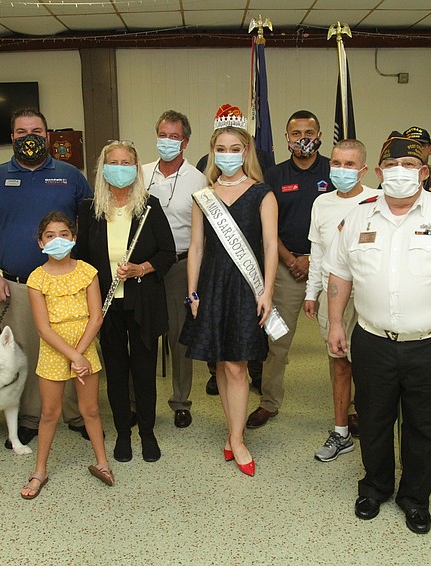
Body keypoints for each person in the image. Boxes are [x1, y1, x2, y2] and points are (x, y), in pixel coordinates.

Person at [325, 132, 431, 534]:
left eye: (410, 166)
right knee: (375, 419)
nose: (400, 173)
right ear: (380, 172)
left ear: (423, 172)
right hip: (372, 340)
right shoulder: (358, 216)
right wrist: (334, 323)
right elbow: (339, 275)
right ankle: (375, 487)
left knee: (424, 426)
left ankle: (415, 498)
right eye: (393, 166)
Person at [0, 108, 92, 448]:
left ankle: (76, 412)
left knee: (71, 347)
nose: (29, 137)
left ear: (48, 135)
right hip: (18, 283)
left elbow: (92, 223)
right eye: (21, 131)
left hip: (67, 284)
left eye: (36, 130)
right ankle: (31, 416)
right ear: (12, 137)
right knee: (27, 352)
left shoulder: (70, 175)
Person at [180, 105, 279, 477]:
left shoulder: (263, 194)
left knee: (237, 366)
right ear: (212, 151)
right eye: (221, 148)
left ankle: (237, 440)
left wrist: (267, 291)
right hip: (211, 284)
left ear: (246, 151)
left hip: (246, 287)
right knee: (220, 362)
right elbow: (196, 248)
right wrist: (192, 291)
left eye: (234, 148)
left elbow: (270, 247)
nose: (227, 154)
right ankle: (232, 430)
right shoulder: (203, 195)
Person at [75, 141, 175, 464]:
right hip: (105, 306)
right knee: (116, 371)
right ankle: (122, 433)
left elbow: (167, 253)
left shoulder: (149, 206)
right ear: (103, 168)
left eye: (126, 162)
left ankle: (147, 432)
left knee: (144, 370)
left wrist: (140, 269)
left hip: (142, 301)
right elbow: (82, 260)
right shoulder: (89, 209)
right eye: (113, 162)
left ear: (135, 168)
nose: (120, 167)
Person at [246, 110, 333, 429]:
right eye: (296, 134)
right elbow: (266, 227)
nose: (303, 139)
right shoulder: (275, 176)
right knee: (276, 339)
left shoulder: (334, 170)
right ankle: (269, 401)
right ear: (286, 138)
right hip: (286, 267)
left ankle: (350, 406)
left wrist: (314, 259)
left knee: (341, 339)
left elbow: (345, 220)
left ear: (320, 133)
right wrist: (291, 259)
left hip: (330, 269)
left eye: (309, 132)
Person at [21, 211, 112, 499]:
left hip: (85, 350)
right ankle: (40, 471)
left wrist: (81, 354)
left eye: (63, 234)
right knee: (49, 413)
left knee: (91, 410)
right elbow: (43, 328)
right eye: (50, 236)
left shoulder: (87, 271)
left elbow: (96, 317)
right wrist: (73, 356)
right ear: (40, 242)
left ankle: (102, 462)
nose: (57, 240)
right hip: (54, 351)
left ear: (73, 238)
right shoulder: (37, 279)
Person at [304, 139, 378, 461]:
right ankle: (341, 432)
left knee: (372, 367)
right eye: (337, 163)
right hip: (333, 298)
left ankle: (373, 426)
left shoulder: (378, 199)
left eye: (350, 165)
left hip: (368, 297)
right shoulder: (321, 204)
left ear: (363, 169)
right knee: (340, 364)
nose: (342, 170)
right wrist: (311, 293)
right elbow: (317, 253)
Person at [143, 110, 207, 429]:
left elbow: (204, 231)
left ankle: (181, 401)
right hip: (143, 266)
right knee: (141, 334)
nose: (167, 141)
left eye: (174, 136)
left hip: (180, 266)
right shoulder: (140, 174)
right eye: (162, 134)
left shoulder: (198, 179)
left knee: (178, 336)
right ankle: (137, 401)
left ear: (185, 141)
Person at [403, 126, 431, 192]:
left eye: (421, 145)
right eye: (411, 145)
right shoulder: (394, 175)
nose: (416, 149)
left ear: (430, 149)